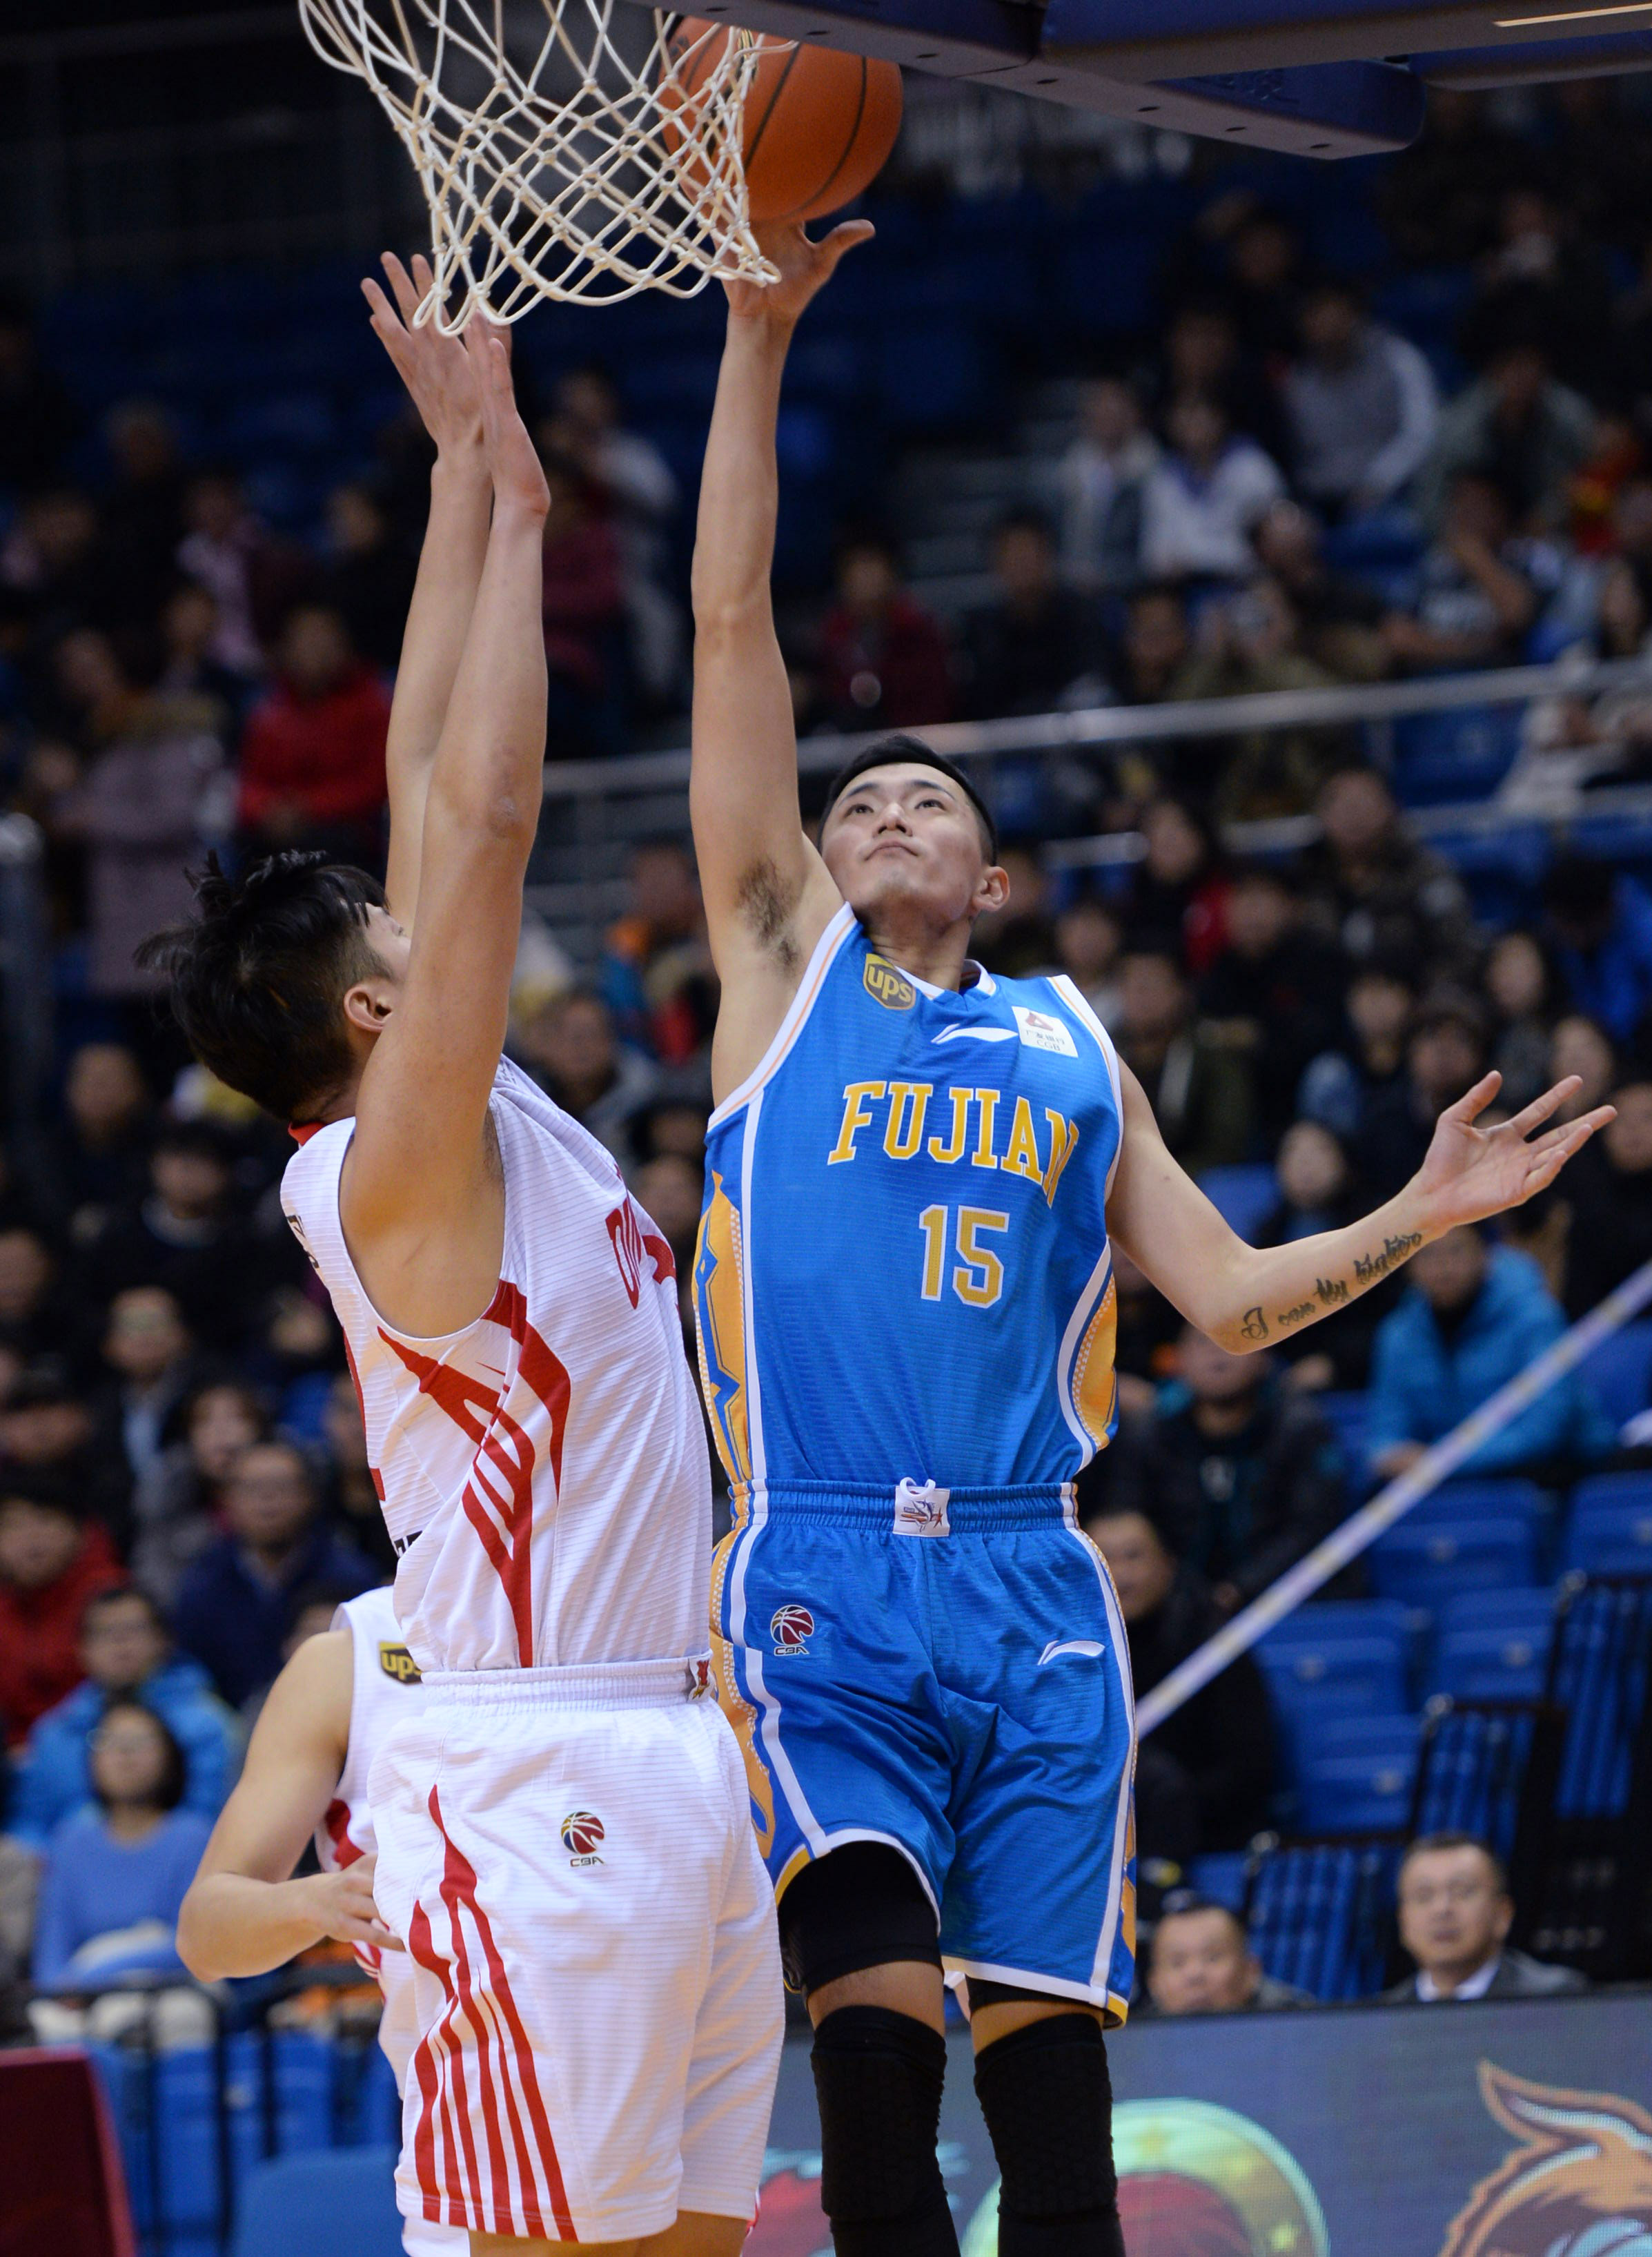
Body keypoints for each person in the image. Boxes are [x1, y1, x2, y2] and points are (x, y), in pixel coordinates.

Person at [685, 215, 1606, 2257]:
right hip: (828, 1547)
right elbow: (733, 621)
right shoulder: (780, 972)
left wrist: (1418, 1208)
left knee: (1053, 2064)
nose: (887, 817)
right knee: (871, 2021)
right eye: (865, 804)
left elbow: (1233, 1301)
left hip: (1033, 1573)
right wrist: (754, 349)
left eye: (931, 804)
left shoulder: (1073, 1046)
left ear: (997, 878)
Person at [140, 252, 781, 2254]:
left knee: (694, 2239)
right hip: (531, 1770)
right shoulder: (384, 1174)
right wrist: (516, 508)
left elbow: (430, 773)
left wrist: (449, 474)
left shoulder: (481, 1114)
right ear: (360, 1022)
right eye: (399, 950)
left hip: (666, 1740)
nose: (437, 923)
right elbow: (488, 809)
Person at [179, 1583, 464, 2255]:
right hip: (463, 2094)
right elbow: (204, 1934)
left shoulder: (664, 1609)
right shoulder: (354, 1655)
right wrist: (319, 1899)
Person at [1095, 1329, 1344, 1614]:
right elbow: (1126, 1517)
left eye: (1236, 1337)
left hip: (1284, 1601)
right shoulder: (1149, 1432)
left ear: (1265, 1355)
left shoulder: (1300, 1426)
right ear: (1179, 1359)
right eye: (1202, 1341)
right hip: (1175, 1605)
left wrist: (1240, 1587)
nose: (1217, 1351)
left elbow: (1313, 1527)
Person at [1081, 1504, 1273, 1854]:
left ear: (1168, 1564)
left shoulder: (1215, 1646)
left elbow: (1249, 1768)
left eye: (1133, 1556)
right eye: (1104, 1558)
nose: (1120, 1574)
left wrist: (1165, 1800)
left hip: (1204, 1837)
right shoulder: (1064, 1653)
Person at [1366, 1225, 1613, 1485]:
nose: (1443, 1266)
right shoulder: (1397, 1334)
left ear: (1486, 1253)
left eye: (1456, 1250)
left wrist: (1444, 1460)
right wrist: (1392, 1455)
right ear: (1408, 1266)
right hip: (1448, 1476)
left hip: (1554, 1467)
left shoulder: (1535, 1316)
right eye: (1427, 1254)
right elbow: (1386, 1431)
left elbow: (1546, 1427)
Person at [9, 1583, 237, 1847]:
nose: (120, 1643)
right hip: (63, 1872)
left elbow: (209, 1818)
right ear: (82, 1651)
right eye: (105, 1633)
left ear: (163, 1641)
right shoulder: (54, 1731)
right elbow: (30, 1823)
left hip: (175, 1864)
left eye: (134, 1630)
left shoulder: (207, 1725)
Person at [170, 1439, 376, 1710]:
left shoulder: (352, 1579)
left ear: (310, 1495)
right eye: (252, 1488)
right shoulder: (202, 1584)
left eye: (282, 1486)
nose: (268, 1499)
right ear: (227, 1500)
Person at [30, 1699, 212, 1995]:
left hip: (173, 1989)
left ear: (170, 1757)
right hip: (83, 1997)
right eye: (108, 1741)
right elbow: (51, 1955)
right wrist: (66, 1991)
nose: (125, 1753)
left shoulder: (195, 1836)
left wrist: (102, 1967)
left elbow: (196, 1946)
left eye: (141, 1741)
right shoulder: (70, 1840)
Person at [237, 604, 391, 866]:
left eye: (323, 637)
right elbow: (249, 784)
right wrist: (267, 809)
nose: (314, 648)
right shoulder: (267, 711)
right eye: (305, 638)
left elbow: (375, 785)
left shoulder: (372, 705)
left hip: (345, 834)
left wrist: (309, 808)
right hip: (278, 832)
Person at [1283, 280, 1439, 522]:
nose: (1327, 324)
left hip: (1394, 492)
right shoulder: (1298, 380)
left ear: (1355, 314)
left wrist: (1379, 482)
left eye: (1334, 311)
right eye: (1316, 315)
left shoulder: (1398, 357)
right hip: (1320, 499)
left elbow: (1421, 432)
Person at [1382, 1834, 1586, 2002]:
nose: (1442, 1909)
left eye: (1462, 1892)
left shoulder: (1556, 1999)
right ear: (1402, 1921)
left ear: (1503, 1915)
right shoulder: (1381, 2019)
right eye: (1424, 1896)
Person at [0, 1483, 121, 1747]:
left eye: (46, 1520)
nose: (31, 1538)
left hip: (96, 1746)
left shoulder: (111, 1597)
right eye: (14, 1525)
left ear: (78, 1530)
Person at [1114, 946, 1254, 1177]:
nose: (1140, 996)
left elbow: (1226, 1144)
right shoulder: (1105, 1054)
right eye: (1131, 985)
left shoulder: (1211, 1056)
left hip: (1189, 1184)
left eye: (1151, 985)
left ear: (1180, 992)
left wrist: (1163, 1178)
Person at [959, 510, 1105, 721]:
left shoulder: (1082, 616)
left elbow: (1092, 685)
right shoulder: (982, 631)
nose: (1021, 561)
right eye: (1010, 552)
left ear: (1047, 554)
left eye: (1028, 550)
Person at [1139, 394, 1286, 585]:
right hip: (1185, 587)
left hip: (1247, 580)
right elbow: (1155, 551)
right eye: (1184, 418)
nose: (1192, 426)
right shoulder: (1162, 477)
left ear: (1219, 420)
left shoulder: (1250, 464)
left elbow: (1278, 528)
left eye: (1198, 417)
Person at [1562, 1079, 1652, 1318]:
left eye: (1647, 1117)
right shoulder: (1586, 1205)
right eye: (1621, 1120)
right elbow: (1578, 1301)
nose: (1633, 1129)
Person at [1143, 1897, 1310, 2015]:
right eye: (1177, 1963)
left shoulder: (1301, 2022)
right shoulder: (1130, 2039)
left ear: (1250, 1971)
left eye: (1213, 1958)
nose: (1195, 1974)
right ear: (1154, 1983)